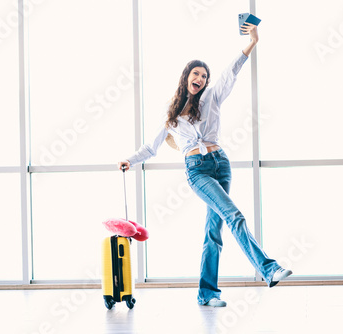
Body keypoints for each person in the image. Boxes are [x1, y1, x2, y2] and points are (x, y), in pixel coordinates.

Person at [118, 22, 292, 307]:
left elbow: (231, 72)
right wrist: (130, 159)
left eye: (204, 75)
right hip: (197, 171)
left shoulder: (212, 97)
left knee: (214, 231)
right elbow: (151, 147)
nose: (200, 77)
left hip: (220, 164)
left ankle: (207, 293)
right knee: (234, 216)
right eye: (196, 73)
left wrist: (252, 41)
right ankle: (269, 268)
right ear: (186, 77)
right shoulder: (171, 113)